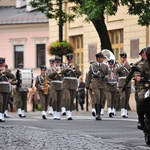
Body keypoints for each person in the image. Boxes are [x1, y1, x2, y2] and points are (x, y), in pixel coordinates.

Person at [89, 52, 110, 120]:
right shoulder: (93, 65)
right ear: (98, 58)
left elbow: (108, 73)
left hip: (102, 83)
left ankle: (99, 113)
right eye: (101, 58)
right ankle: (97, 114)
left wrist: (106, 77)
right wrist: (88, 84)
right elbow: (89, 75)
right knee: (97, 97)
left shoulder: (105, 66)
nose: (103, 59)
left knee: (101, 98)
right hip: (95, 82)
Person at [61, 53, 82, 120]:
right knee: (67, 98)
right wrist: (68, 68)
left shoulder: (76, 65)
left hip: (73, 84)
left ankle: (69, 112)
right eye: (69, 59)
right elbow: (61, 72)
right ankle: (68, 113)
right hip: (66, 84)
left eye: (71, 59)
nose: (70, 61)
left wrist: (74, 69)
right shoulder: (64, 65)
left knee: (72, 99)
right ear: (67, 59)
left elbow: (79, 73)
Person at [134, 46, 150, 130]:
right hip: (145, 86)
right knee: (141, 99)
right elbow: (137, 73)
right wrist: (138, 77)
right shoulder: (142, 64)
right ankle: (140, 119)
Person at [116, 52, 131, 118]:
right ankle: (122, 110)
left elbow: (131, 72)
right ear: (120, 58)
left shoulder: (129, 65)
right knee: (123, 97)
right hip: (121, 83)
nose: (123, 59)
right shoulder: (118, 65)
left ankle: (125, 110)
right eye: (122, 58)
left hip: (128, 83)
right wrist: (123, 66)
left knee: (127, 97)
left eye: (124, 58)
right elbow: (116, 71)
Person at [0, 57, 15, 122]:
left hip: (6, 88)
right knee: (1, 102)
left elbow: (13, 77)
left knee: (5, 103)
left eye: (3, 63)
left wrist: (6, 72)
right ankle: (0, 115)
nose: (2, 65)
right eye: (1, 63)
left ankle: (2, 114)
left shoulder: (7, 70)